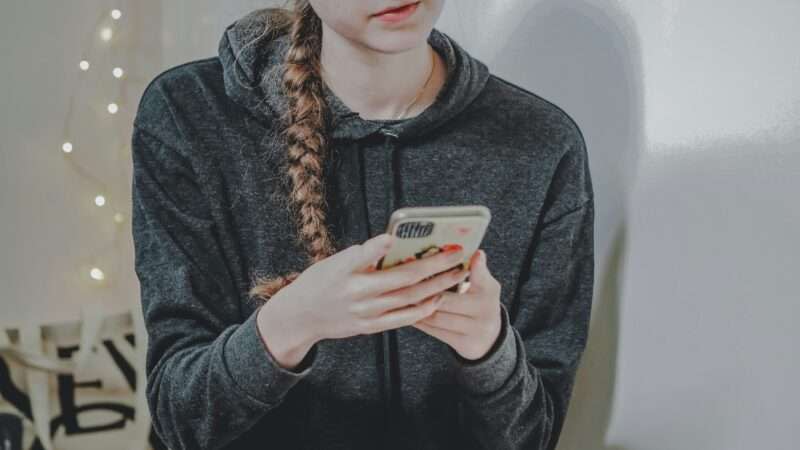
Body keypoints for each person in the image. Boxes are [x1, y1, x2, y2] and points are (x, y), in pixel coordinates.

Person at [130, 1, 595, 449]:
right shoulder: (189, 114)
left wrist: (488, 348)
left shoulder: (542, 146)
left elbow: (532, 437)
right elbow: (182, 421)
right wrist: (292, 324)